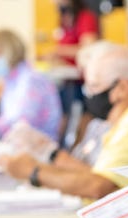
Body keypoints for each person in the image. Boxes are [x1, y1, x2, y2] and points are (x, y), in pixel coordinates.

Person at [0, 43, 128, 212]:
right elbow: (97, 174)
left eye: (94, 86)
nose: (89, 95)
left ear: (122, 87)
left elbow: (99, 186)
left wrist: (34, 171)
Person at [49, 0, 100, 143]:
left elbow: (88, 48)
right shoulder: (65, 18)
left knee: (81, 120)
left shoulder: (85, 17)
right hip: (68, 79)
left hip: (83, 80)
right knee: (63, 114)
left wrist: (59, 51)